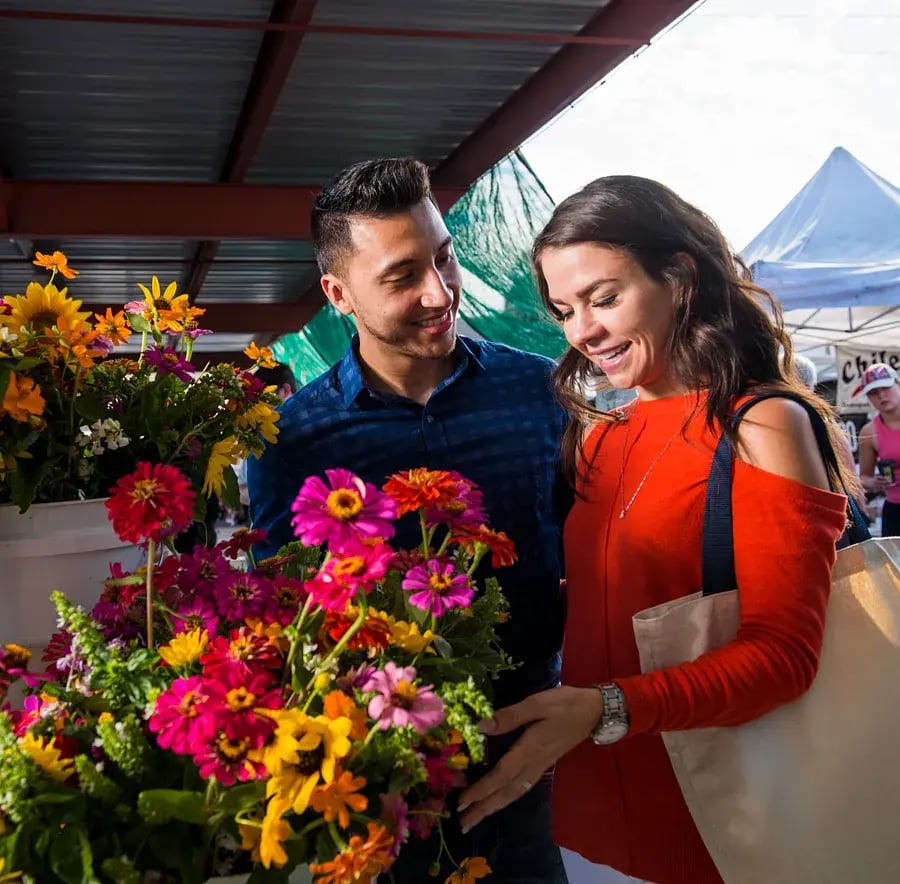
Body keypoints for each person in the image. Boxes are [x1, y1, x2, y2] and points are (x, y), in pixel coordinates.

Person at [457, 176, 853, 884]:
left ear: (679, 277)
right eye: (565, 310)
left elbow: (785, 656)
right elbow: (607, 605)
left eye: (604, 298)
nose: (582, 331)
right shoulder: (597, 438)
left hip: (722, 821)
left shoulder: (763, 423)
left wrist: (604, 708)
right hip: (587, 817)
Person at [248, 157, 569, 883]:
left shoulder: (539, 392)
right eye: (402, 277)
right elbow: (283, 611)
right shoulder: (293, 441)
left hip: (529, 750)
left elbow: (590, 557)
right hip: (380, 774)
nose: (440, 292)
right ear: (339, 294)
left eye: (445, 258)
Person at [793, 354, 870, 521]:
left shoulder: (820, 422)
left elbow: (850, 477)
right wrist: (862, 513)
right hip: (821, 514)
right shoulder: (818, 420)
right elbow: (850, 477)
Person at [235, 362, 297, 510]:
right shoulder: (258, 433)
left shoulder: (307, 424)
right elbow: (242, 490)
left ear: (285, 390)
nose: (258, 405)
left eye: (263, 398)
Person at [856, 363, 900, 536]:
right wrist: (875, 483)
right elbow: (864, 477)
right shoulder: (869, 432)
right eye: (874, 392)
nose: (881, 395)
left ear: (897, 384)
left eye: (886, 388)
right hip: (895, 509)